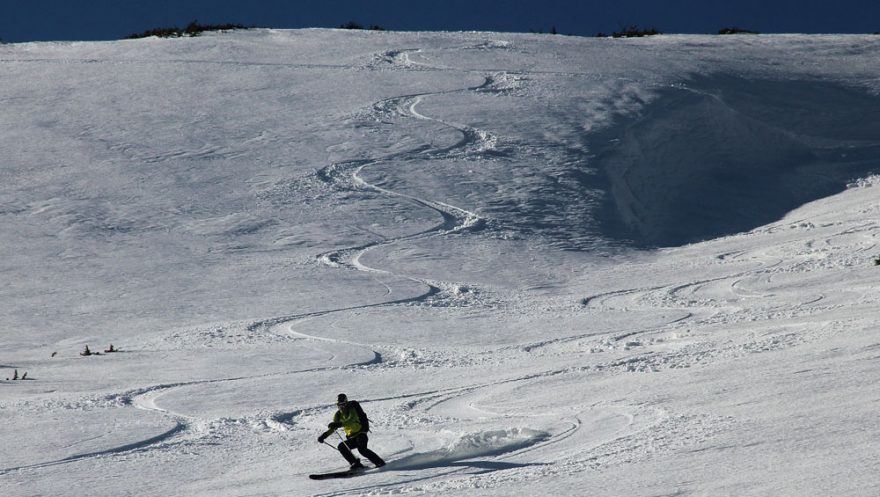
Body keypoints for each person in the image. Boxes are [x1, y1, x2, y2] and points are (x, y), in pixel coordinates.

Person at [317, 393, 386, 469]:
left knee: (362, 450)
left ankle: (379, 462)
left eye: (343, 404)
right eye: (339, 404)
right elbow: (333, 428)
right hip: (351, 437)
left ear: (346, 403)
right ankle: (355, 463)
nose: (341, 406)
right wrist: (324, 435)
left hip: (361, 433)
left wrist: (338, 424)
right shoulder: (338, 414)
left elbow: (350, 421)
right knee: (341, 446)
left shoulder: (352, 410)